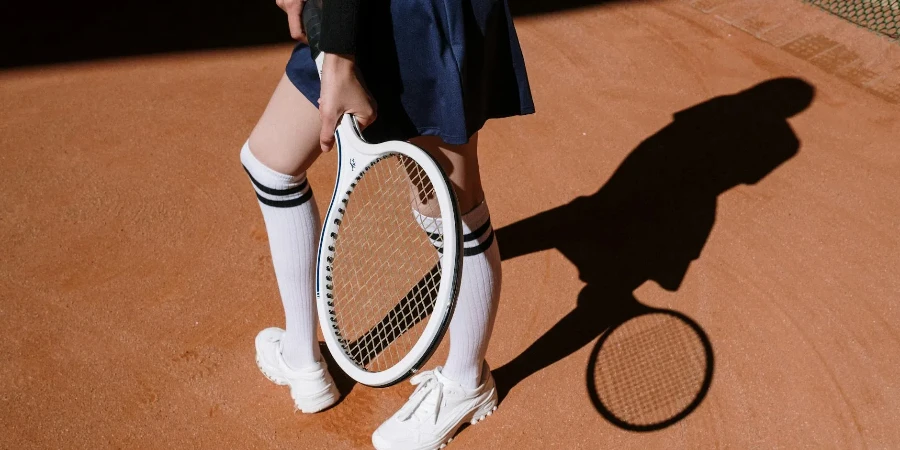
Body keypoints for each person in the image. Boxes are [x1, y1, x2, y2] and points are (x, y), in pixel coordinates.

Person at [241, 0, 534, 447]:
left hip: (416, 18)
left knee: (450, 204)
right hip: (361, 16)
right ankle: (301, 356)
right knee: (270, 163)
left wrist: (339, 62)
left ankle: (465, 383)